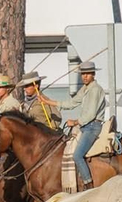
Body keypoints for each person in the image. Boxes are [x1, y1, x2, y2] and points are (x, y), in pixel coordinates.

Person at [37, 62, 106, 190]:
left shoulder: (95, 90)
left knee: (77, 155)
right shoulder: (85, 89)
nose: (84, 77)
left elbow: (90, 114)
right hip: (85, 127)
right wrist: (48, 102)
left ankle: (88, 185)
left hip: (92, 127)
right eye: (83, 74)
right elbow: (71, 103)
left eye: (88, 74)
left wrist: (75, 122)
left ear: (93, 74)